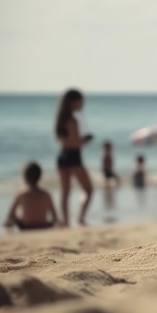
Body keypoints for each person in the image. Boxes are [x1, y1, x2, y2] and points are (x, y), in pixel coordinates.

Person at [55, 89, 93, 226]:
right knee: (88, 189)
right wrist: (86, 140)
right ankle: (80, 218)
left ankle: (65, 222)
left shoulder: (60, 120)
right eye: (81, 101)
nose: (83, 104)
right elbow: (76, 143)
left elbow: (66, 141)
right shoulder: (73, 120)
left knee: (65, 193)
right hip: (73, 156)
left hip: (62, 156)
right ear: (73, 102)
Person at [4, 162, 59, 231]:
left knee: (12, 218)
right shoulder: (46, 194)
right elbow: (55, 217)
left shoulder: (21, 194)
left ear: (25, 177)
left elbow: (10, 215)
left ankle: (9, 233)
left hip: (26, 226)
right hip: (44, 225)